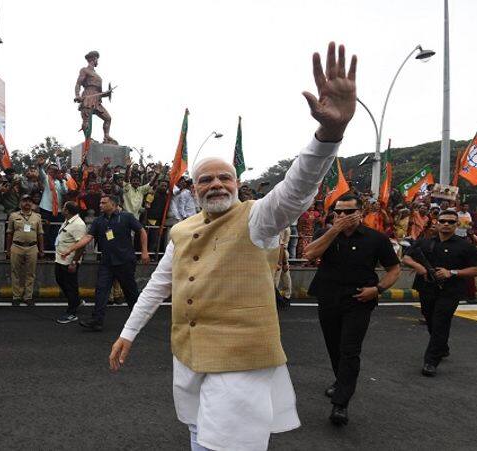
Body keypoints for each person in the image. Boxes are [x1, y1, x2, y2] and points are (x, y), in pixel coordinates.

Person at [107, 42, 357, 450]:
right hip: (188, 355)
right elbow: (158, 284)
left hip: (242, 359)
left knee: (225, 445)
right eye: (206, 179)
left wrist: (329, 133)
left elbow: (297, 188)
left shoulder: (259, 217)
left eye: (225, 178)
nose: (217, 184)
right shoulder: (182, 229)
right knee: (195, 431)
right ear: (194, 188)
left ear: (237, 185)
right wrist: (128, 332)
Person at [303, 194, 401, 426]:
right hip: (328, 297)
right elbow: (309, 254)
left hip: (359, 300)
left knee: (350, 350)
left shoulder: (376, 239)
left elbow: (394, 269)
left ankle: (341, 403)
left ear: (361, 213)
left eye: (348, 212)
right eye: (338, 212)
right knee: (334, 346)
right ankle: (341, 381)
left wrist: (377, 289)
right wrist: (334, 230)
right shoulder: (325, 234)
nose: (343, 216)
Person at [402, 209, 477, 377]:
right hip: (426, 288)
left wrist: (452, 273)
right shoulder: (425, 242)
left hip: (450, 291)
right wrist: (419, 267)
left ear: (457, 225)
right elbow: (406, 257)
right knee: (430, 319)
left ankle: (431, 361)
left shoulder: (465, 246)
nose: (446, 224)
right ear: (437, 223)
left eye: (451, 222)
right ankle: (442, 347)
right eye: (443, 221)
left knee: (440, 321)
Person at [61, 194, 149, 331]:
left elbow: (141, 231)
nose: (100, 205)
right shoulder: (99, 221)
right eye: (100, 202)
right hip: (107, 262)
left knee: (130, 292)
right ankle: (97, 321)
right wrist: (71, 249)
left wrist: (144, 251)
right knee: (101, 291)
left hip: (125, 261)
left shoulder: (126, 217)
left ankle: (139, 319)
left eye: (104, 203)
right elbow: (88, 237)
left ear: (113, 204)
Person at [6, 194, 45, 306]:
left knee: (30, 273)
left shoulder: (37, 217)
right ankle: (16, 296)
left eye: (29, 201)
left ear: (32, 204)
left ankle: (28, 297)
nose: (27, 203)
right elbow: (9, 233)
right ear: (20, 203)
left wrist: (41, 250)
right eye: (24, 201)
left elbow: (40, 234)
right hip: (16, 246)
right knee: (15, 272)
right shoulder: (13, 216)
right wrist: (8, 249)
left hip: (32, 247)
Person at [54, 201, 87, 324]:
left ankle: (72, 312)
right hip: (60, 259)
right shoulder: (68, 220)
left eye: (63, 208)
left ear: (67, 210)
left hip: (69, 261)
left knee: (70, 285)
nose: (62, 210)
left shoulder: (78, 224)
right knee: (60, 280)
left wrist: (74, 261)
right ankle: (76, 301)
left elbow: (81, 245)